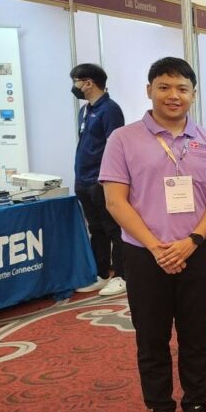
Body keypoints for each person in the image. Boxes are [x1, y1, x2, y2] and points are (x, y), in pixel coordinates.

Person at [99, 57, 206, 412]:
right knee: (152, 338)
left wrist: (193, 240)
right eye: (165, 87)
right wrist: (156, 247)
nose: (174, 95)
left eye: (182, 89)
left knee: (196, 336)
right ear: (149, 90)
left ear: (193, 94)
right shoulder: (123, 139)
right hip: (144, 255)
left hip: (197, 252)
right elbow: (115, 201)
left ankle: (196, 407)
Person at [71, 63, 126, 296]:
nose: (74, 86)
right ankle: (102, 274)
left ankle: (122, 275)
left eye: (76, 81)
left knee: (114, 228)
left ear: (88, 83)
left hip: (101, 180)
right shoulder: (85, 110)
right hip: (83, 178)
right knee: (95, 228)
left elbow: (115, 148)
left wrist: (108, 178)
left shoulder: (110, 110)